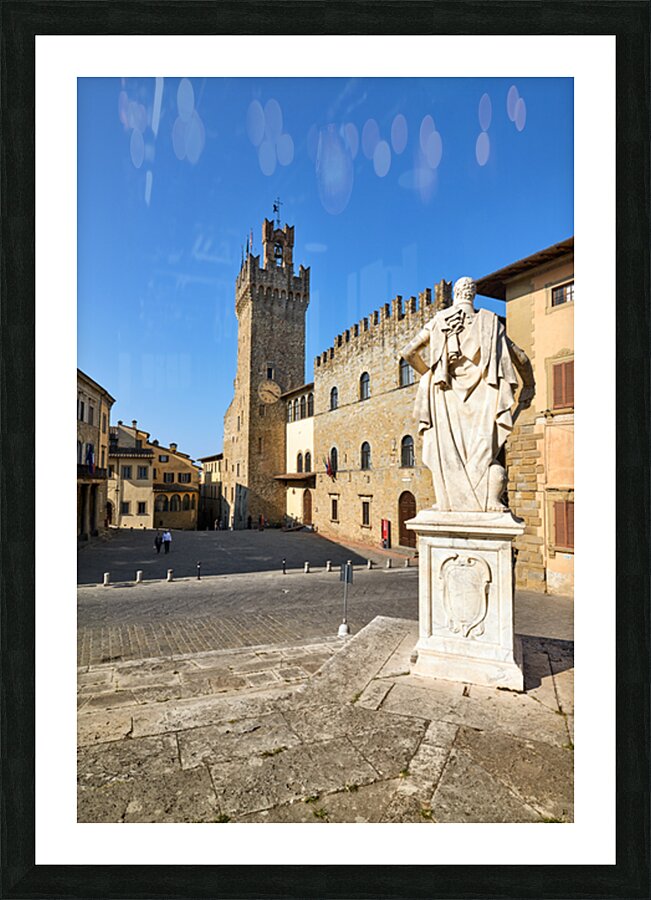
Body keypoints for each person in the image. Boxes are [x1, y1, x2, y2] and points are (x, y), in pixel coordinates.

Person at [399, 276, 534, 512]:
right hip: (485, 398)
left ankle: (448, 501)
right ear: (473, 295)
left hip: (445, 396)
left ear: (456, 295)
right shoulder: (491, 323)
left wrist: (428, 375)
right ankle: (488, 500)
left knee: (447, 455)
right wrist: (529, 386)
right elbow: (521, 357)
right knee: (484, 455)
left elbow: (409, 352)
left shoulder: (438, 321)